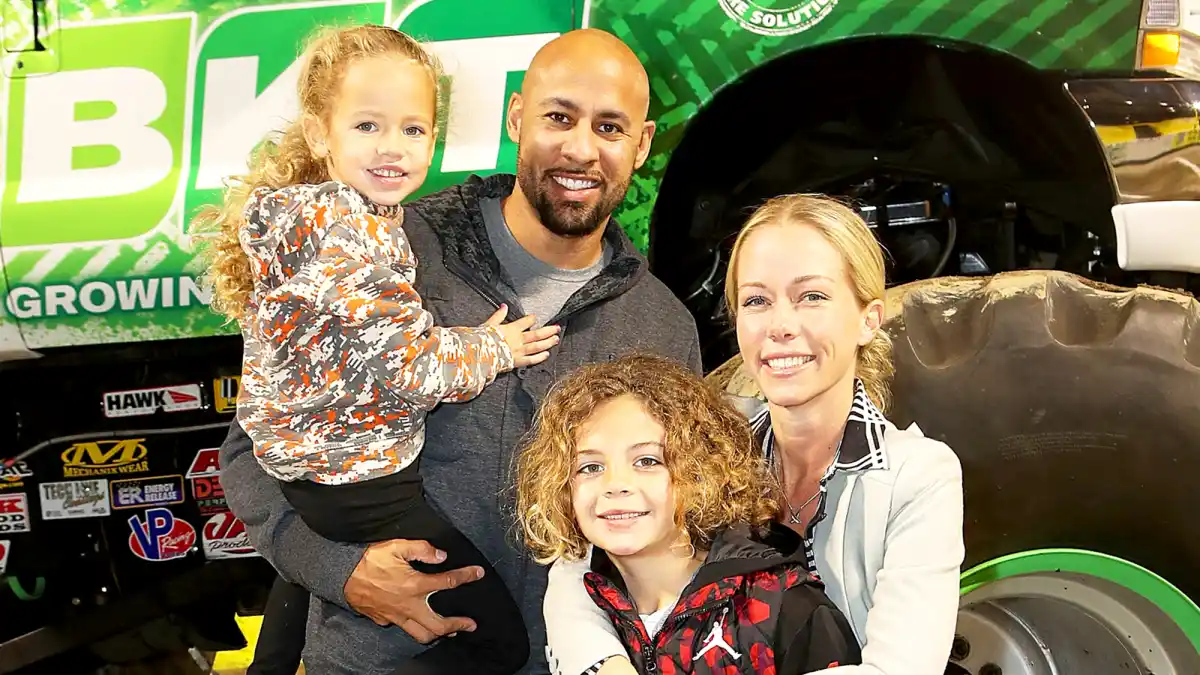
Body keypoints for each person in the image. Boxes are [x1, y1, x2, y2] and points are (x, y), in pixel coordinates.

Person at [215, 27, 703, 675]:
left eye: (610, 128)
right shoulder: (384, 250)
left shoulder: (661, 326)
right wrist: (341, 570)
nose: (582, 148)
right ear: (518, 116)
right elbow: (251, 452)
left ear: (641, 145)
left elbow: (681, 524)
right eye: (559, 117)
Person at [197, 24, 565, 674]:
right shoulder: (353, 239)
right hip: (364, 481)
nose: (393, 148)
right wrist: (494, 346)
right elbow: (415, 368)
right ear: (320, 134)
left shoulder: (299, 223)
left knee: (294, 611)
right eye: (368, 127)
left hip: (308, 472)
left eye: (413, 129)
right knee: (501, 640)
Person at [542, 194, 966, 675]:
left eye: (812, 297)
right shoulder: (711, 438)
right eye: (757, 301)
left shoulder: (918, 476)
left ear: (869, 318)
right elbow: (576, 566)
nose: (780, 326)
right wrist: (605, 665)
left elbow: (900, 669)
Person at [515, 353, 863, 674]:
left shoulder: (787, 609)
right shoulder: (583, 607)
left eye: (647, 461)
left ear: (700, 472)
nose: (615, 484)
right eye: (590, 467)